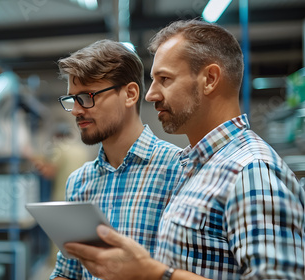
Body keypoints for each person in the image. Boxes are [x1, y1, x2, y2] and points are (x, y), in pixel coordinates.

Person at [63, 20, 305, 280]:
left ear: (210, 79)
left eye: (164, 79)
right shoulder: (195, 167)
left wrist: (153, 273)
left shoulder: (251, 170)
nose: (151, 95)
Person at [50, 39, 183, 279]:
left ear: (130, 94)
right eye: (72, 99)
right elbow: (68, 271)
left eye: (87, 96)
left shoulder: (179, 169)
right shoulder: (79, 182)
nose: (78, 110)